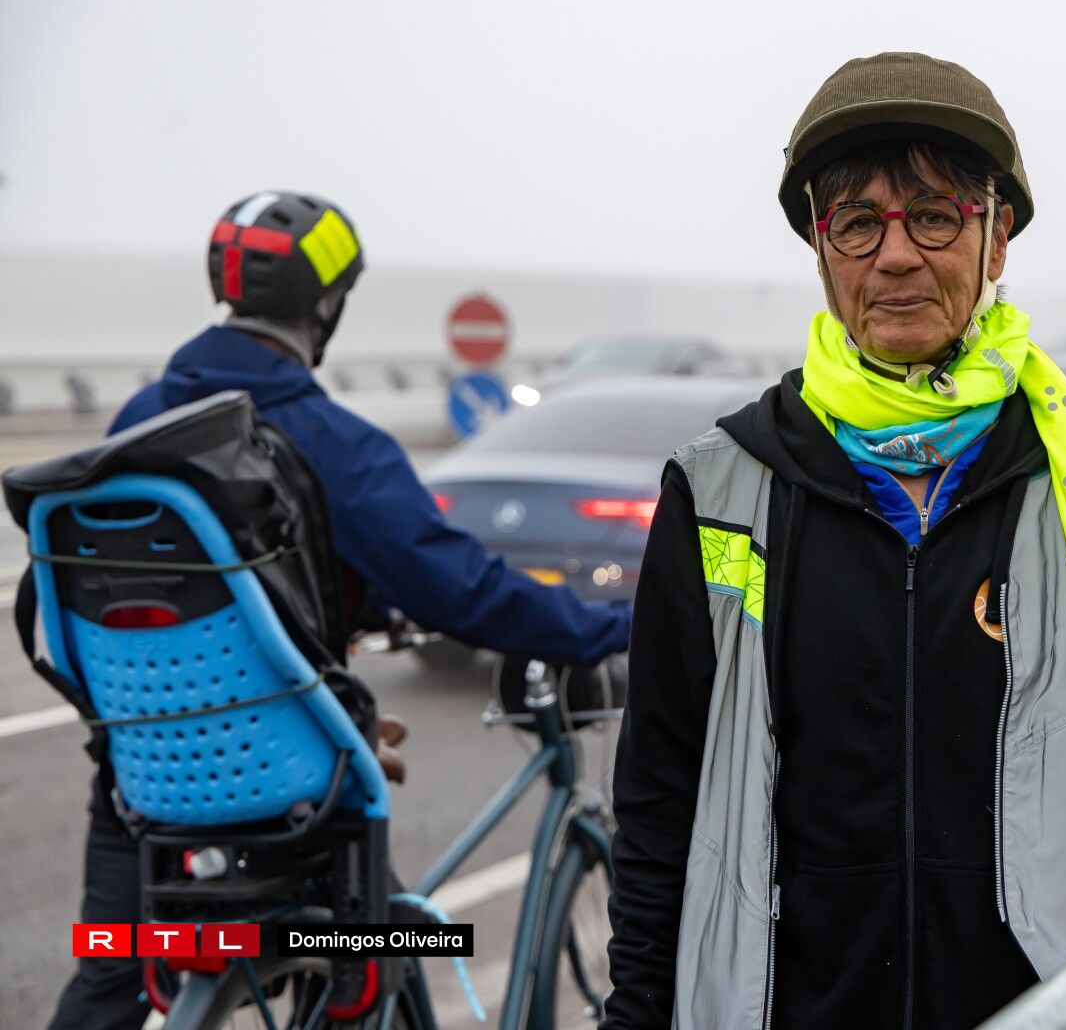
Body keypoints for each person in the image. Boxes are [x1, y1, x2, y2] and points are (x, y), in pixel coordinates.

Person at [604, 53, 1066, 1029]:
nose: (898, 255)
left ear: (996, 240)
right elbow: (659, 806)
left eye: (935, 215)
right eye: (859, 222)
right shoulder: (716, 488)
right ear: (822, 251)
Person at [48, 190, 632, 1030]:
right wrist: (607, 627)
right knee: (391, 947)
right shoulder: (336, 442)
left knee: (110, 971)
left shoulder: (138, 421)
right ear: (327, 305)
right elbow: (460, 589)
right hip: (291, 782)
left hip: (138, 776)